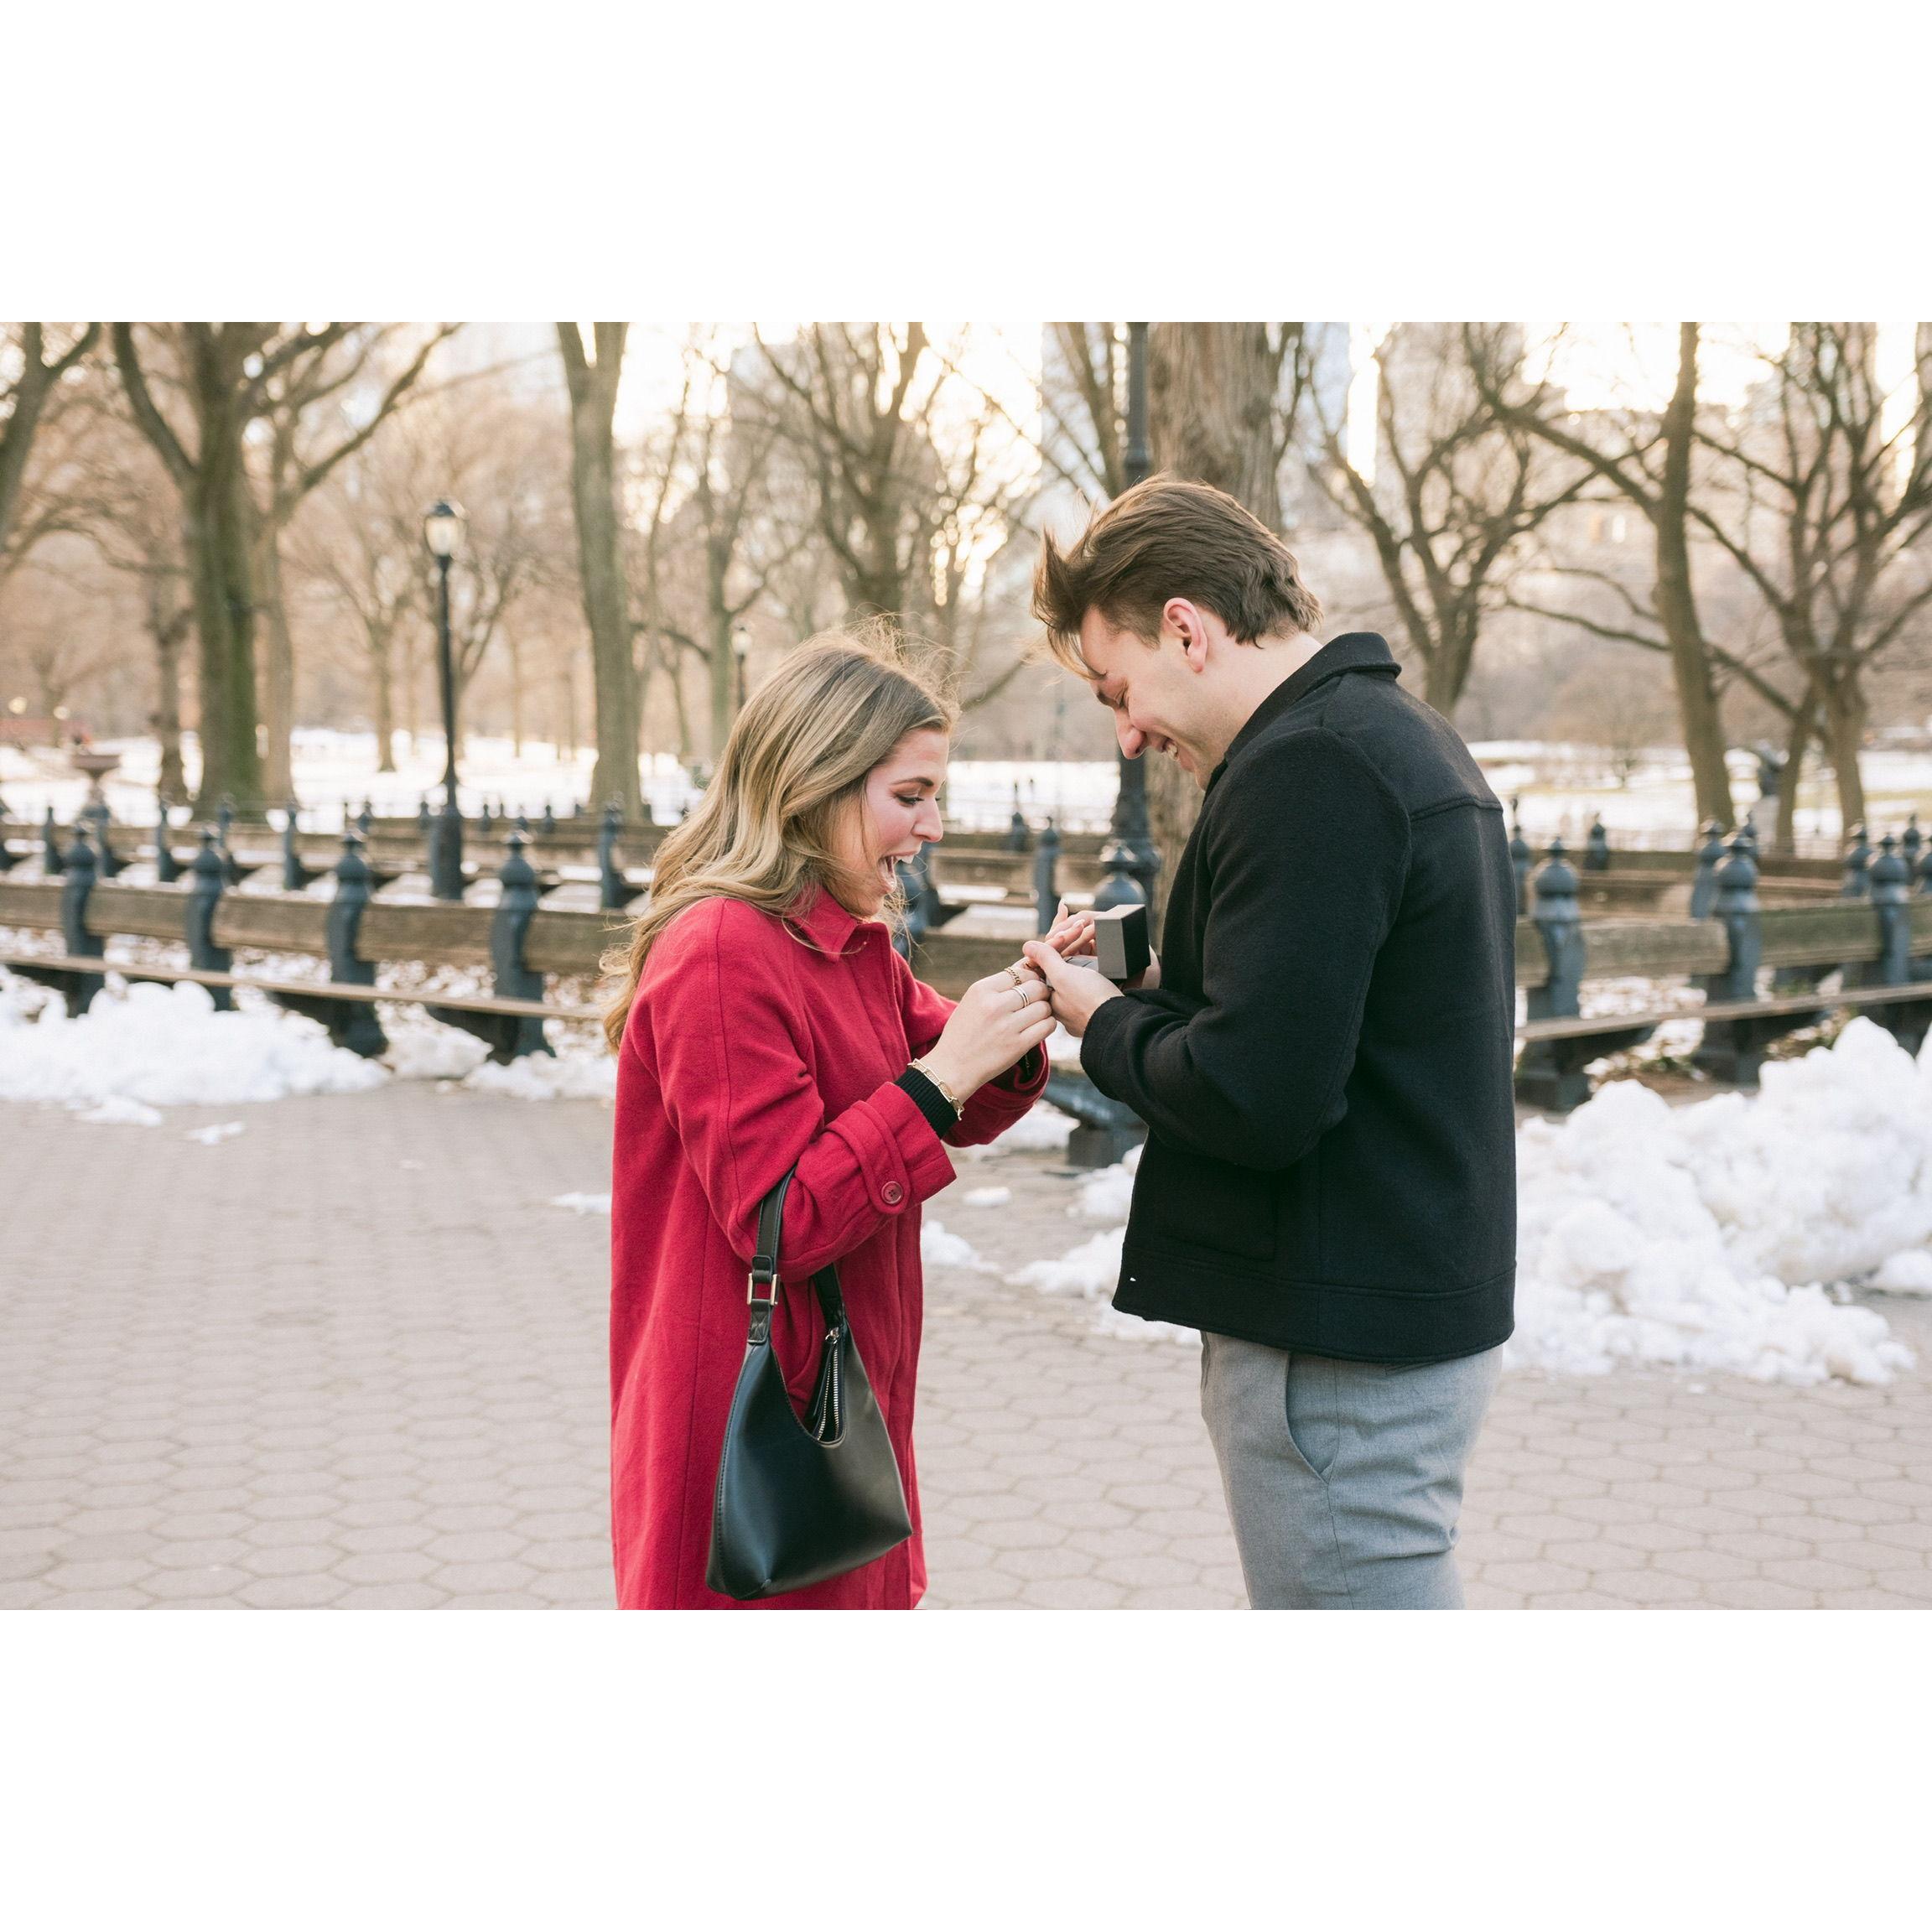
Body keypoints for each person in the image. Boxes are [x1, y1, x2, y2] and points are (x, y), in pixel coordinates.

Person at [1021, 476, 1517, 1610]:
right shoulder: (1391, 737)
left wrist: (1102, 1021)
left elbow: (1254, 1095)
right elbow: (1342, 1006)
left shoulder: (1309, 773)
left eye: (1119, 688)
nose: (1129, 732)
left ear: (1185, 629)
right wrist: (1157, 972)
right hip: (1396, 1300)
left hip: (1335, 1342)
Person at [605, 631, 1078, 1609]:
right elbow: (781, 1219)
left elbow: (960, 1082)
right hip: (751, 1436)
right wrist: (942, 1077)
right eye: (910, 795)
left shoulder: (844, 940)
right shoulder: (722, 949)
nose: (933, 826)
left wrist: (1035, 995)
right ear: (815, 786)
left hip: (839, 1404)